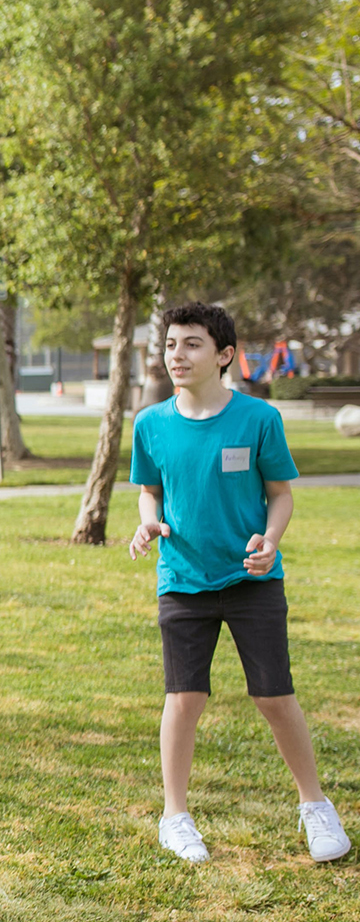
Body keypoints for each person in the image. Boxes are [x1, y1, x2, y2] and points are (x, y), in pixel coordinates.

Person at [128, 301, 349, 865]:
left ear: (225, 355)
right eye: (172, 344)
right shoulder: (150, 423)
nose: (178, 354)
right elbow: (149, 488)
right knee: (185, 697)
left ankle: (316, 807)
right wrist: (147, 518)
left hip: (252, 579)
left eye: (192, 344)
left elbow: (280, 493)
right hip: (182, 578)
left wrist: (271, 540)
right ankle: (174, 817)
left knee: (275, 696)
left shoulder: (258, 419)